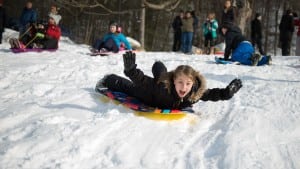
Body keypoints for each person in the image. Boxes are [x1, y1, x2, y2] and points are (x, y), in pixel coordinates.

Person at [95, 51, 242, 109]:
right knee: (131, 87)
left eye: (188, 83)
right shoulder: (162, 86)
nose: (184, 87)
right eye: (180, 82)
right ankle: (110, 78)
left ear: (193, 84)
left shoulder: (195, 93)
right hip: (150, 96)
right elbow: (143, 81)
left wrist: (226, 93)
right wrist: (131, 71)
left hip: (162, 89)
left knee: (160, 74)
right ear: (174, 81)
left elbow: (212, 94)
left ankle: (158, 65)